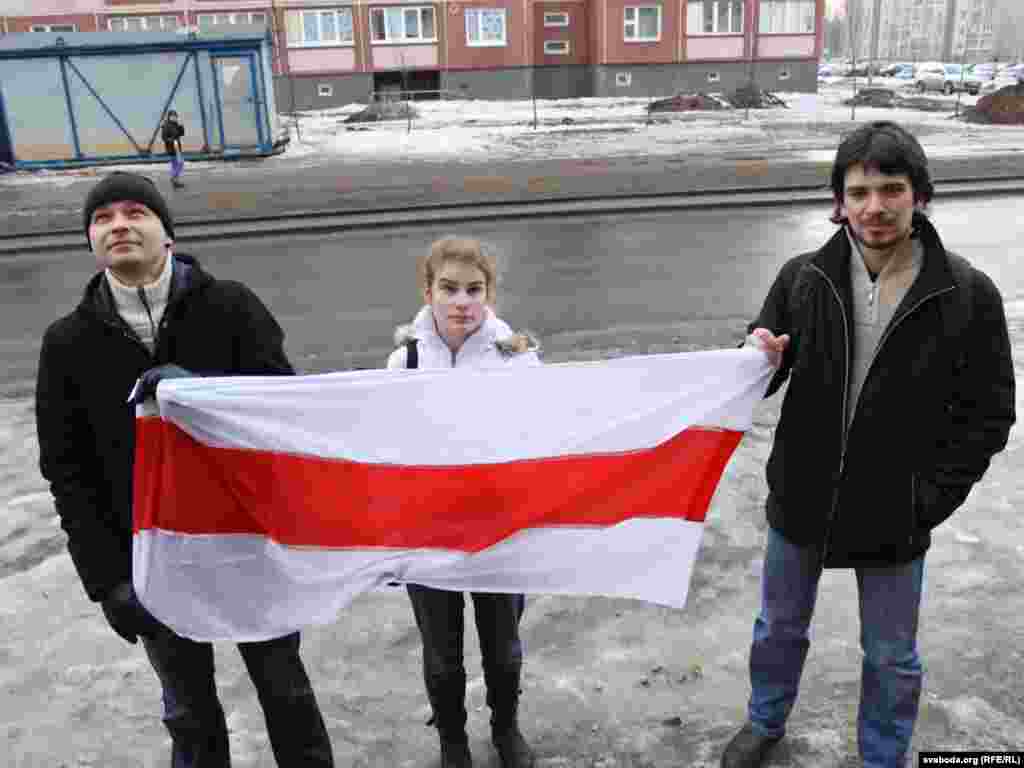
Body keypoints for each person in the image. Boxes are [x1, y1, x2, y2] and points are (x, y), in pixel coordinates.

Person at [721, 121, 1015, 768]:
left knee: (890, 655)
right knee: (777, 628)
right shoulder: (804, 277)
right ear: (839, 200)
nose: (874, 206)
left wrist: (929, 497)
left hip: (895, 509)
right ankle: (765, 721)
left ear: (919, 195)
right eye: (858, 191)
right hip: (800, 495)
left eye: (891, 188)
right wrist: (755, 356)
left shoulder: (965, 294)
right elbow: (760, 362)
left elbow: (990, 413)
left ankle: (883, 755)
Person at [35, 171, 335, 768]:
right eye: (102, 219)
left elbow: (282, 413)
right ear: (92, 243)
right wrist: (109, 582)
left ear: (166, 233)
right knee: (189, 715)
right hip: (154, 560)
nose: (118, 225)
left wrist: (203, 394)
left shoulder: (230, 306)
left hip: (247, 548)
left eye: (133, 212)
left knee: (287, 694)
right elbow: (68, 473)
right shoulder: (67, 342)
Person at [387, 236, 540, 768]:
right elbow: (384, 448)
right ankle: (452, 739)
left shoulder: (516, 357)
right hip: (429, 532)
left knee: (503, 646)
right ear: (428, 292)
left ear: (489, 293)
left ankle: (505, 729)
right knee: (441, 650)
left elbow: (541, 439)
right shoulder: (404, 360)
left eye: (474, 289)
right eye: (449, 289)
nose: (462, 302)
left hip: (500, 528)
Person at [162, 109, 185, 189]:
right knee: (178, 163)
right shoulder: (166, 125)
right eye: (172, 116)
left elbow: (181, 134)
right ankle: (174, 179)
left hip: (177, 146)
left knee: (178, 163)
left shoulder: (175, 124)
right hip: (171, 147)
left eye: (175, 116)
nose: (174, 117)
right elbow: (164, 138)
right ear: (169, 117)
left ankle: (175, 179)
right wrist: (172, 140)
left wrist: (181, 126)